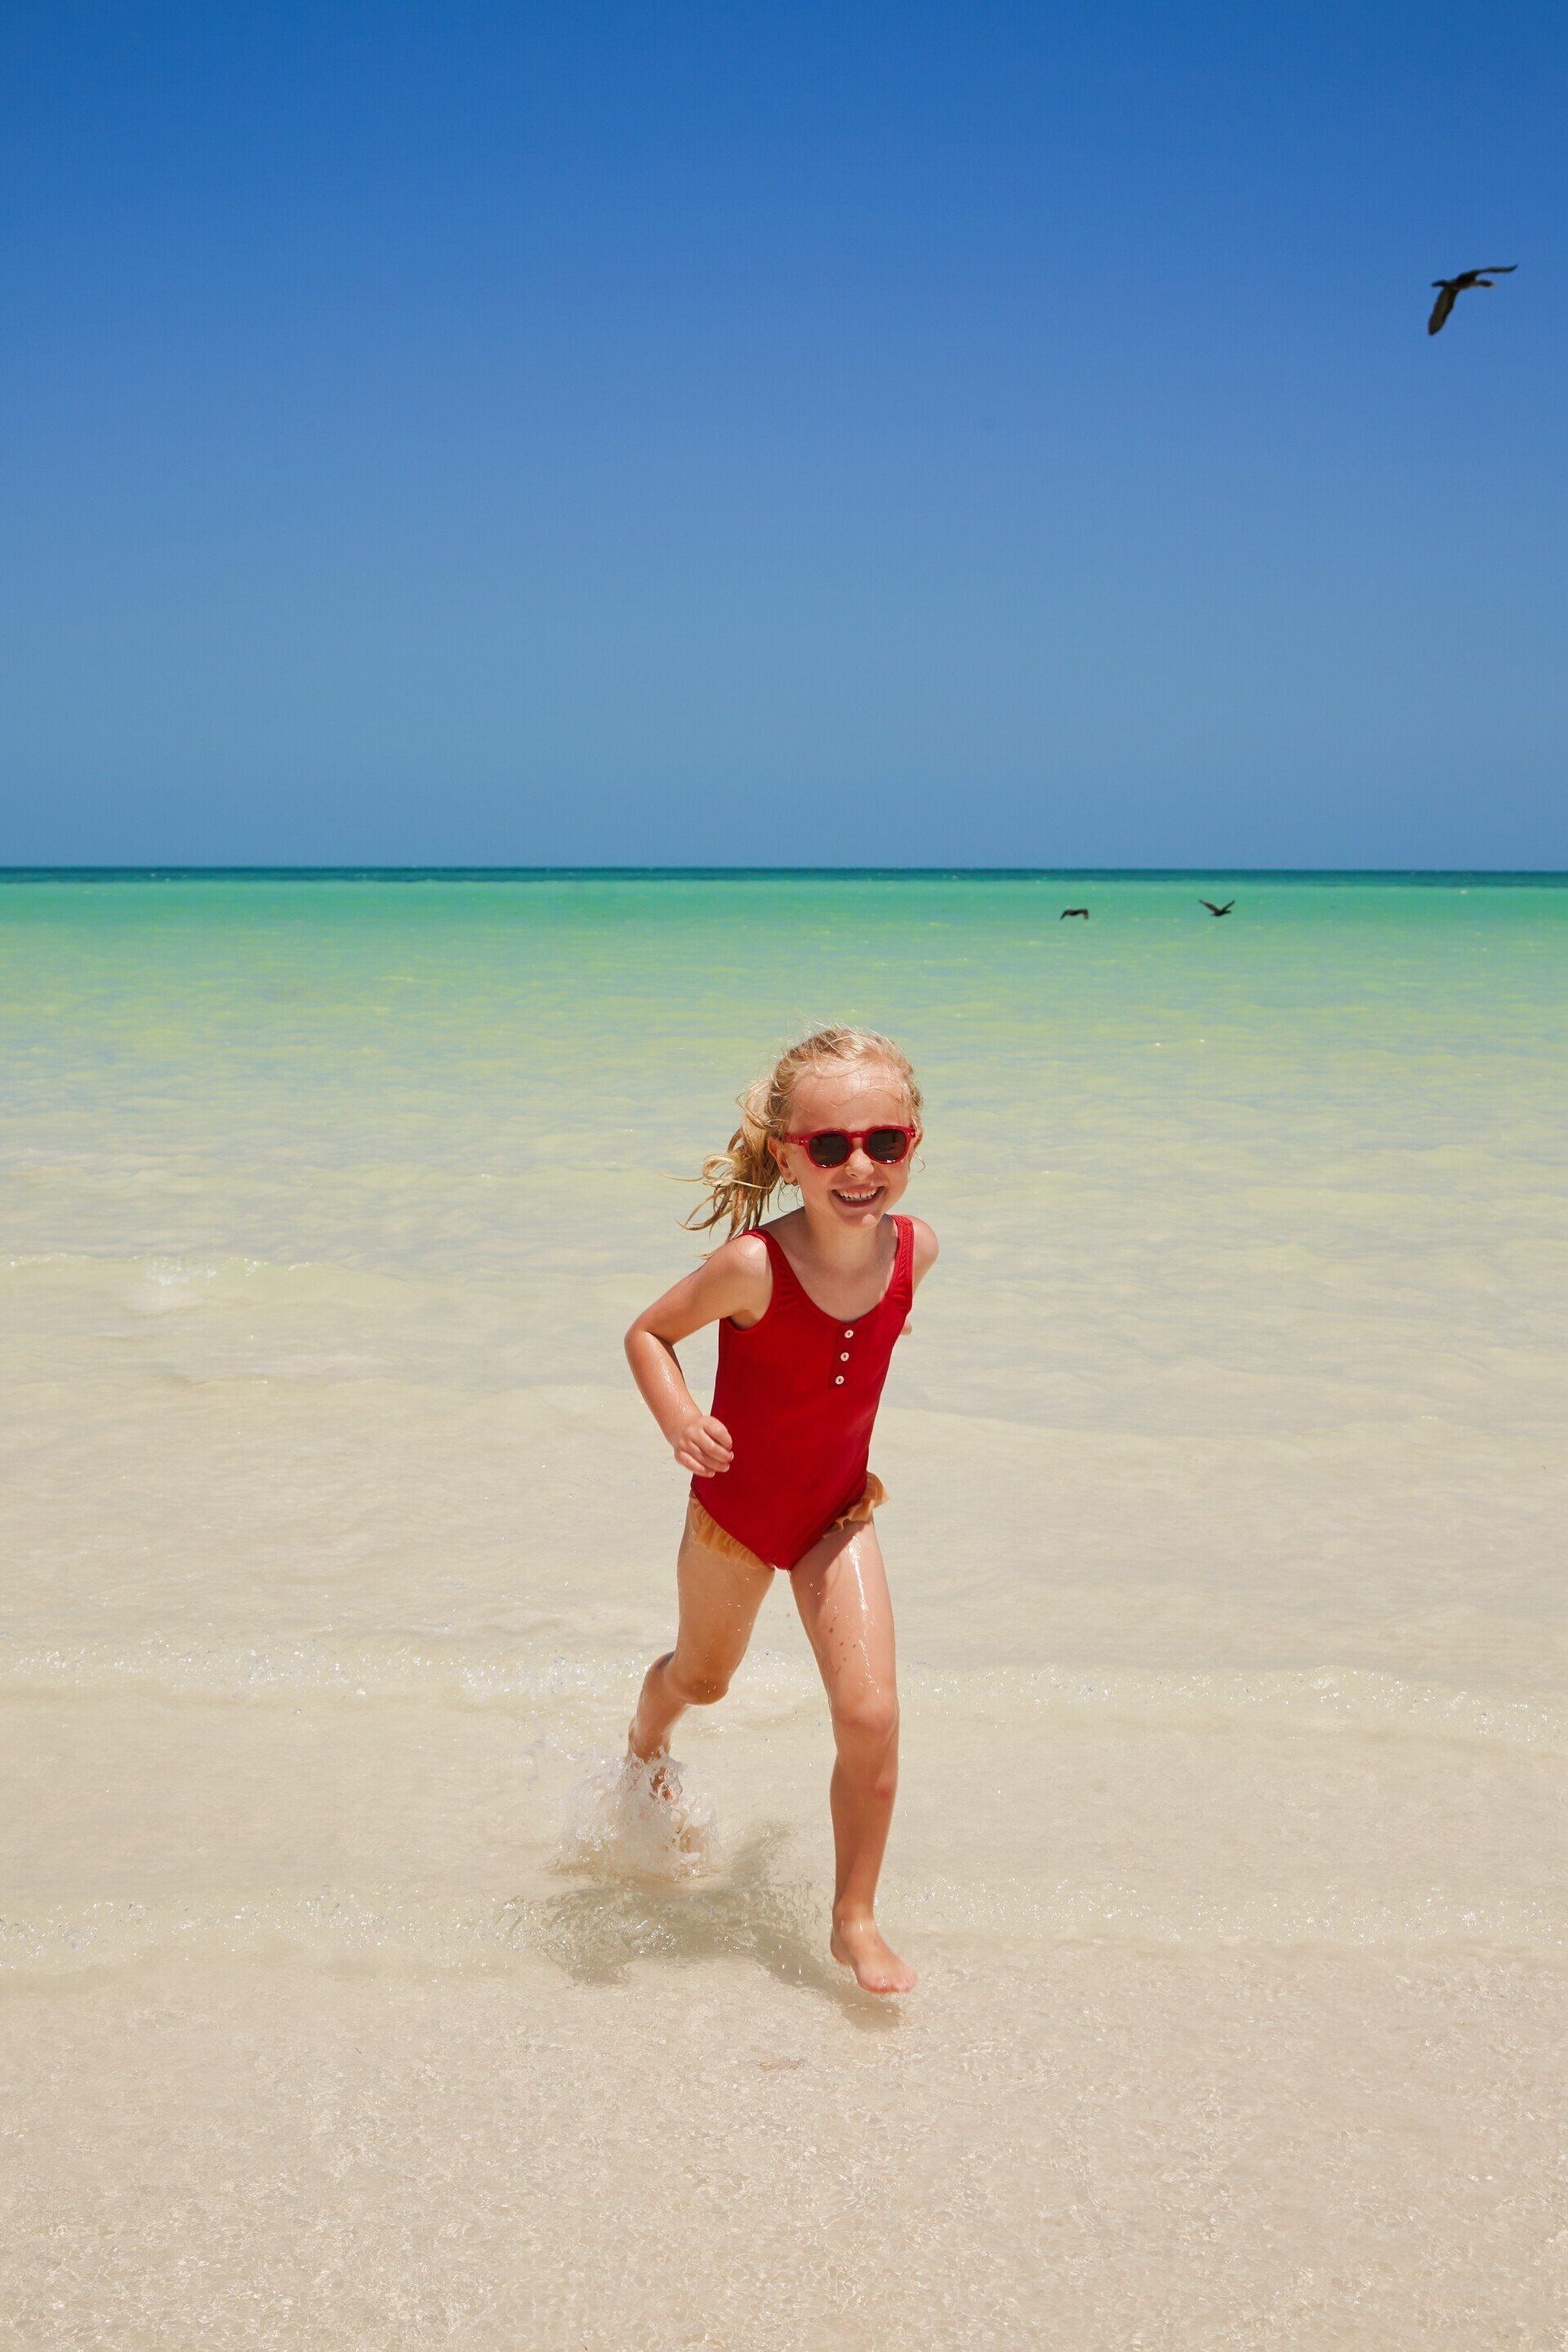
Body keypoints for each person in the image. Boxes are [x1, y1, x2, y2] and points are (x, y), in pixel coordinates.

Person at [624, 1024, 938, 1994]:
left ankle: (853, 1917)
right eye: (830, 1145)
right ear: (785, 1152)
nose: (859, 1165)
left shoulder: (917, 1251)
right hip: (736, 1516)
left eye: (884, 1143)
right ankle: (646, 1744)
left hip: (837, 1514)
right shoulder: (753, 1268)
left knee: (873, 1714)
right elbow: (647, 1333)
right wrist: (680, 1418)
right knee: (703, 1679)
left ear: (912, 1146)